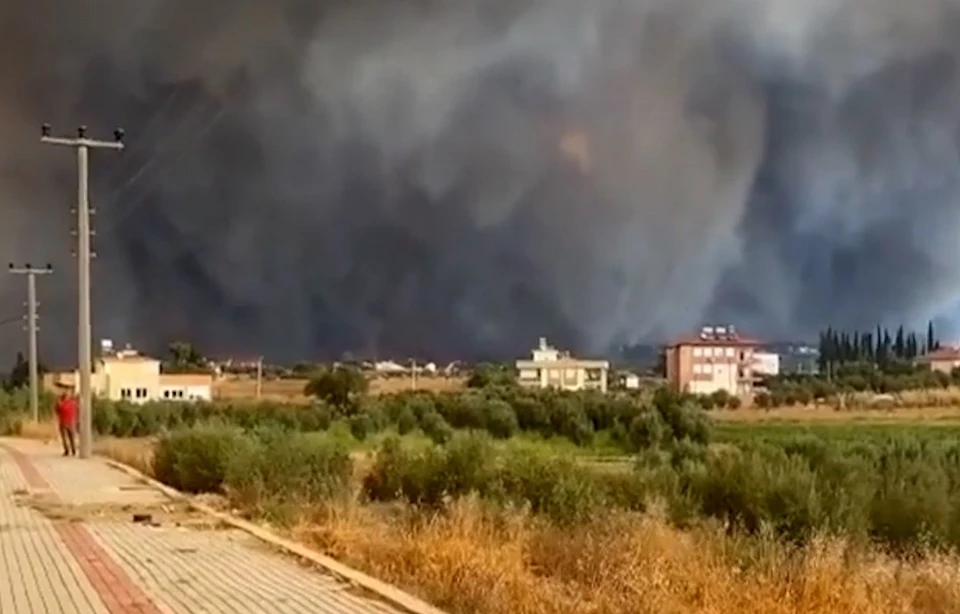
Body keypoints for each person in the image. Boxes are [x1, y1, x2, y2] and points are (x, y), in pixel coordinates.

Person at [55, 391, 78, 457]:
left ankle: (67, 450)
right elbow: (77, 410)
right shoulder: (73, 403)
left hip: (63, 422)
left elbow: (57, 410)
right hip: (72, 422)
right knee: (72, 437)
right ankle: (74, 450)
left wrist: (58, 402)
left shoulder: (61, 404)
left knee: (64, 437)